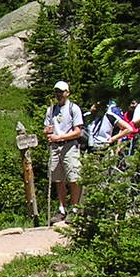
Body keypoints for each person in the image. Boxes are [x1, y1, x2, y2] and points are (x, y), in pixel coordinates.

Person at [43, 81, 83, 223]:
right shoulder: (51, 109)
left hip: (69, 145)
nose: (58, 94)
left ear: (67, 92)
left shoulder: (74, 108)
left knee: (73, 177)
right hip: (55, 146)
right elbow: (47, 128)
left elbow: (78, 131)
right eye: (56, 92)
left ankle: (75, 208)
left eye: (61, 91)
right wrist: (47, 133)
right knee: (58, 178)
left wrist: (59, 137)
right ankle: (62, 209)